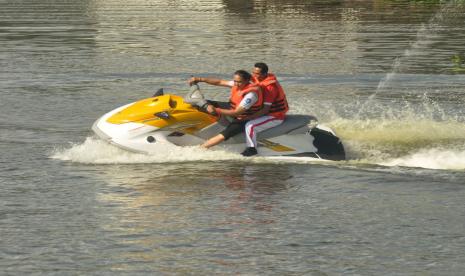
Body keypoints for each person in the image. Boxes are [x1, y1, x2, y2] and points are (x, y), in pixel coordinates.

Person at [188, 70, 263, 150]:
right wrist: (199, 79)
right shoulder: (237, 83)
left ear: (247, 81)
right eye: (235, 81)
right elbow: (219, 82)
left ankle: (200, 149)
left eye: (239, 82)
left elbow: (237, 112)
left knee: (224, 134)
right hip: (231, 107)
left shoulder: (251, 95)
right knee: (201, 104)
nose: (236, 84)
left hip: (244, 118)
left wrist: (215, 110)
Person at [241, 62, 289, 156]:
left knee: (250, 126)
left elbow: (265, 110)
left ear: (264, 74)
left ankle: (251, 149)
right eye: (253, 72)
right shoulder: (258, 78)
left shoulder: (270, 87)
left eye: (257, 74)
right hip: (266, 113)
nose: (254, 75)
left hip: (275, 116)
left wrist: (248, 117)